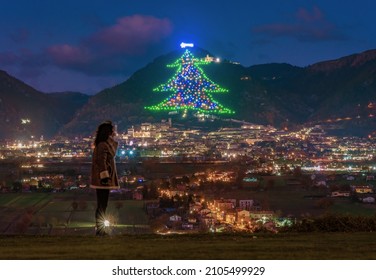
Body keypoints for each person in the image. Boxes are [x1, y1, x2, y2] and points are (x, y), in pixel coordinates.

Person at [90, 121, 119, 236]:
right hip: (103, 180)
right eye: (112, 130)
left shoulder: (102, 144)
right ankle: (100, 229)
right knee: (102, 205)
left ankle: (100, 229)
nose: (114, 132)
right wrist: (105, 177)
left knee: (102, 205)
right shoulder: (103, 145)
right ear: (108, 132)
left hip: (102, 179)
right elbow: (101, 162)